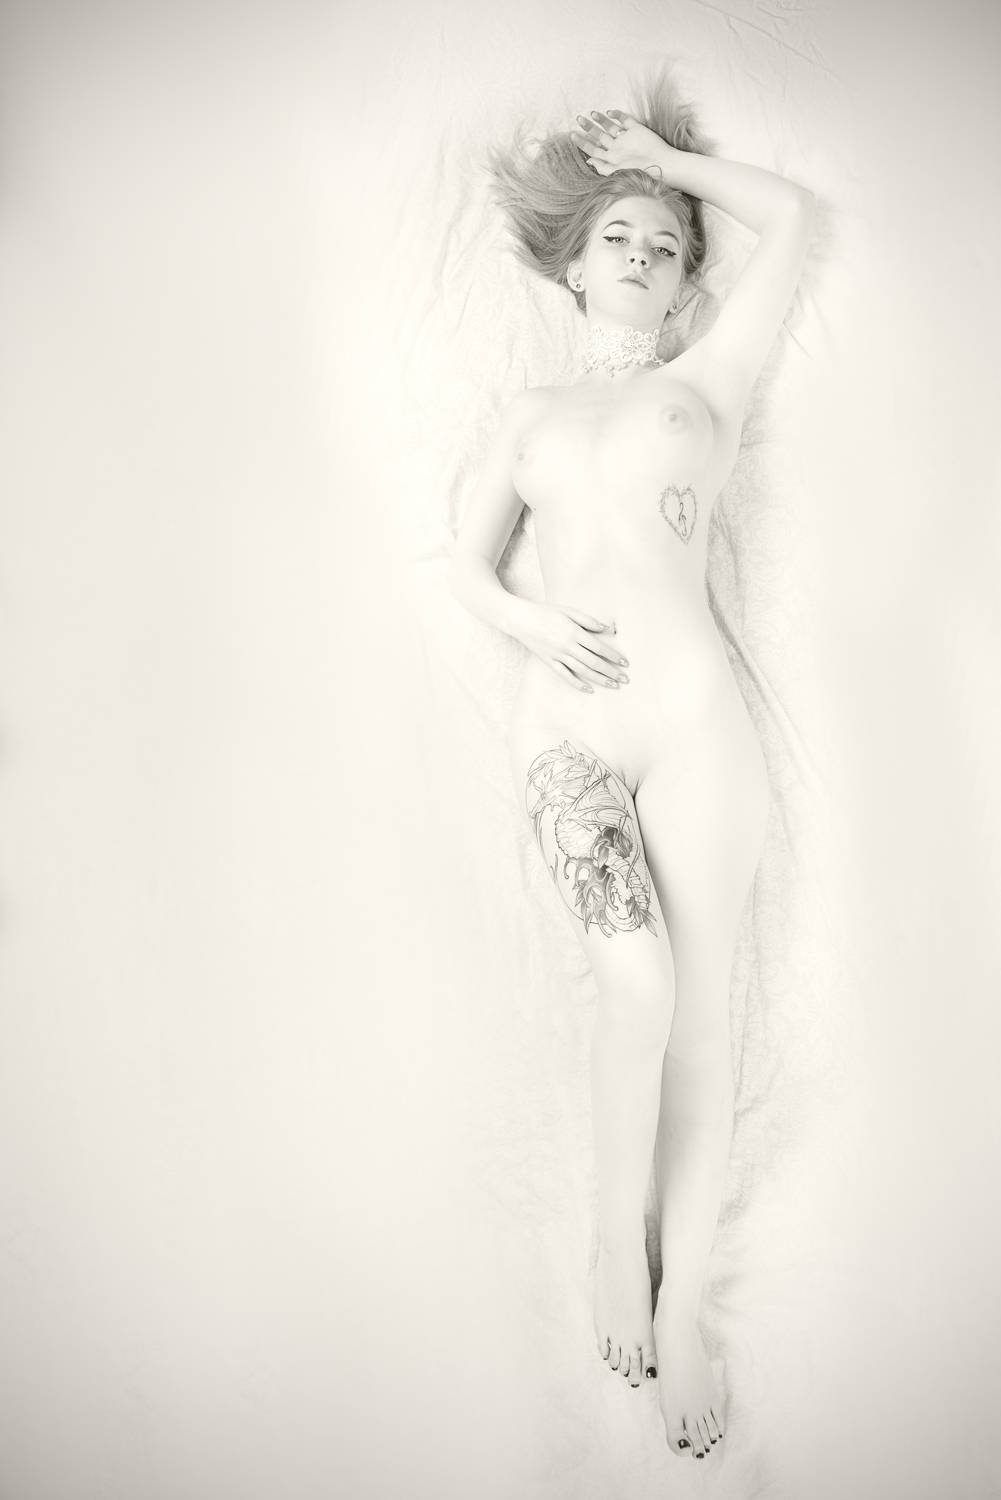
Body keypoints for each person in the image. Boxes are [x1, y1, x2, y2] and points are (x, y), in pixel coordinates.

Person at [448, 76, 814, 1462]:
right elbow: (465, 568)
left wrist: (667, 161)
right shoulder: (529, 415)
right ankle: (616, 1241)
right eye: (618, 234)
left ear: (682, 279)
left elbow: (789, 223)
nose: (645, 253)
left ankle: (684, 1305)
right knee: (638, 983)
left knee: (702, 1013)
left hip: (699, 726)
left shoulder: (703, 383)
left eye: (667, 243)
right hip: (573, 732)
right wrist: (530, 622)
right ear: (573, 263)